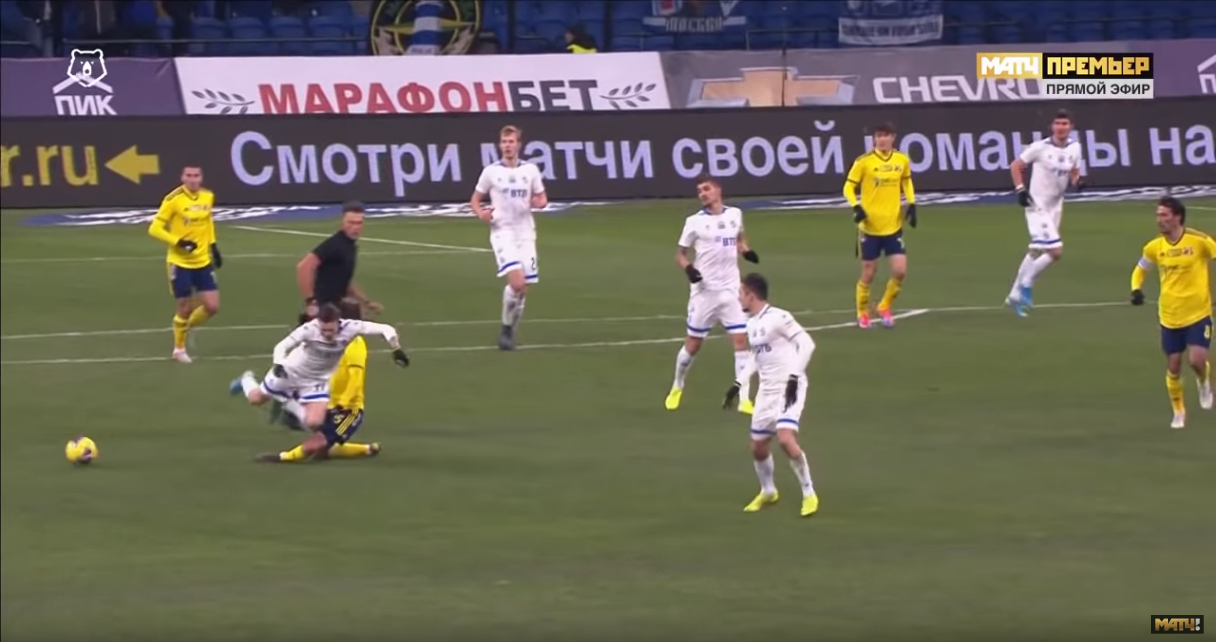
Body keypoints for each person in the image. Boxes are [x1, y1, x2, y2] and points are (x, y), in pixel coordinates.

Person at [228, 303, 409, 460]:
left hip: (315, 381)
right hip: (290, 372)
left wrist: (396, 348)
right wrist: (278, 363)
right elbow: (282, 346)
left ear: (338, 322)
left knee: (314, 422)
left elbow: (386, 329)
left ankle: (287, 401)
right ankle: (246, 378)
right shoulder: (309, 329)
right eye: (323, 330)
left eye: (330, 330)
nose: (327, 334)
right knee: (256, 399)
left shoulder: (351, 327)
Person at [724, 273, 819, 517]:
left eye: (741, 293)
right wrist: (738, 384)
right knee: (758, 447)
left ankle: (809, 493)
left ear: (751, 295)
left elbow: (807, 344)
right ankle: (768, 491)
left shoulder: (779, 317)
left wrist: (794, 376)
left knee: (785, 439)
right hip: (767, 391)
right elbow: (756, 357)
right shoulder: (751, 323)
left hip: (789, 386)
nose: (738, 298)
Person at [665, 174, 760, 414]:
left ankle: (744, 399)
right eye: (699, 191)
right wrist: (689, 269)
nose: (702, 194)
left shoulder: (735, 215)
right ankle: (677, 385)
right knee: (693, 345)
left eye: (706, 189)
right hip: (704, 293)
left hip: (732, 291)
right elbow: (680, 255)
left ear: (718, 190)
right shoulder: (694, 222)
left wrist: (746, 252)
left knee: (741, 341)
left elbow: (739, 240)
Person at [1130, 197, 1214, 429]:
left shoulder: (1198, 242)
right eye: (1158, 215)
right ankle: (1179, 411)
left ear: (1178, 217)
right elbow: (1140, 269)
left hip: (1198, 313)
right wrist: (1136, 289)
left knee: (1197, 361)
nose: (1159, 220)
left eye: (1164, 215)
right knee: (1174, 366)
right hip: (1170, 316)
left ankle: (1203, 381)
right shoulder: (1154, 247)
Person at [265, 300, 384, 462]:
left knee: (317, 443)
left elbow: (355, 380)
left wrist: (343, 404)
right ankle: (367, 449)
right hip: (329, 402)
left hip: (347, 410)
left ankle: (283, 457)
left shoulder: (355, 345)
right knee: (323, 446)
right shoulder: (334, 340)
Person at [469, 125, 548, 350]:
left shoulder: (530, 170)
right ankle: (505, 330)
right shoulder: (491, 172)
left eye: (511, 141)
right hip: (502, 232)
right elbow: (475, 200)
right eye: (504, 142)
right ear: (500, 145)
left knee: (523, 290)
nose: (507, 145)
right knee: (517, 282)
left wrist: (539, 202)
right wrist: (482, 214)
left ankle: (510, 331)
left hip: (526, 233)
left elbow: (542, 198)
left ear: (518, 145)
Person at [1006, 109, 1084, 317]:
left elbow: (1074, 170)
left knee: (1036, 251)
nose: (1061, 127)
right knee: (1055, 251)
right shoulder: (1039, 147)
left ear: (1071, 126)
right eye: (1057, 123)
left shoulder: (1075, 148)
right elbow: (1015, 166)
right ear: (1052, 126)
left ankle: (1013, 295)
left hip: (1056, 205)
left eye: (1064, 124)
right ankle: (1026, 284)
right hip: (1037, 204)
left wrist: (1078, 181)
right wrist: (1020, 190)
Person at [844, 122, 918, 329]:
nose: (882, 139)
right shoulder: (864, 162)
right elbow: (848, 187)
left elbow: (906, 181)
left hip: (893, 226)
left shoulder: (901, 160)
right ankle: (862, 312)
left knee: (900, 271)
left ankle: (884, 305)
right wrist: (856, 206)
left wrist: (912, 203)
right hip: (870, 227)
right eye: (878, 136)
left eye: (886, 135)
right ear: (874, 139)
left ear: (893, 137)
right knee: (869, 272)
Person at [147, 165, 221, 364]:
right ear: (182, 177)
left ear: (201, 177)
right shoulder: (173, 199)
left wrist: (213, 246)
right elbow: (154, 228)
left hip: (202, 261)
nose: (193, 179)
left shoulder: (207, 196)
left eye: (196, 175)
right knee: (185, 307)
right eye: (189, 175)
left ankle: (186, 328)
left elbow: (207, 222)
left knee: (212, 306)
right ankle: (179, 349)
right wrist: (178, 242)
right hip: (180, 262)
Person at [296, 202, 382, 320]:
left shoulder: (349, 246)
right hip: (326, 311)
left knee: (358, 331)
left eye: (359, 223)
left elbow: (344, 281)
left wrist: (366, 302)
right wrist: (311, 302)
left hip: (339, 307)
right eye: (351, 223)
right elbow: (304, 267)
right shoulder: (334, 245)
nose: (355, 227)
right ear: (342, 222)